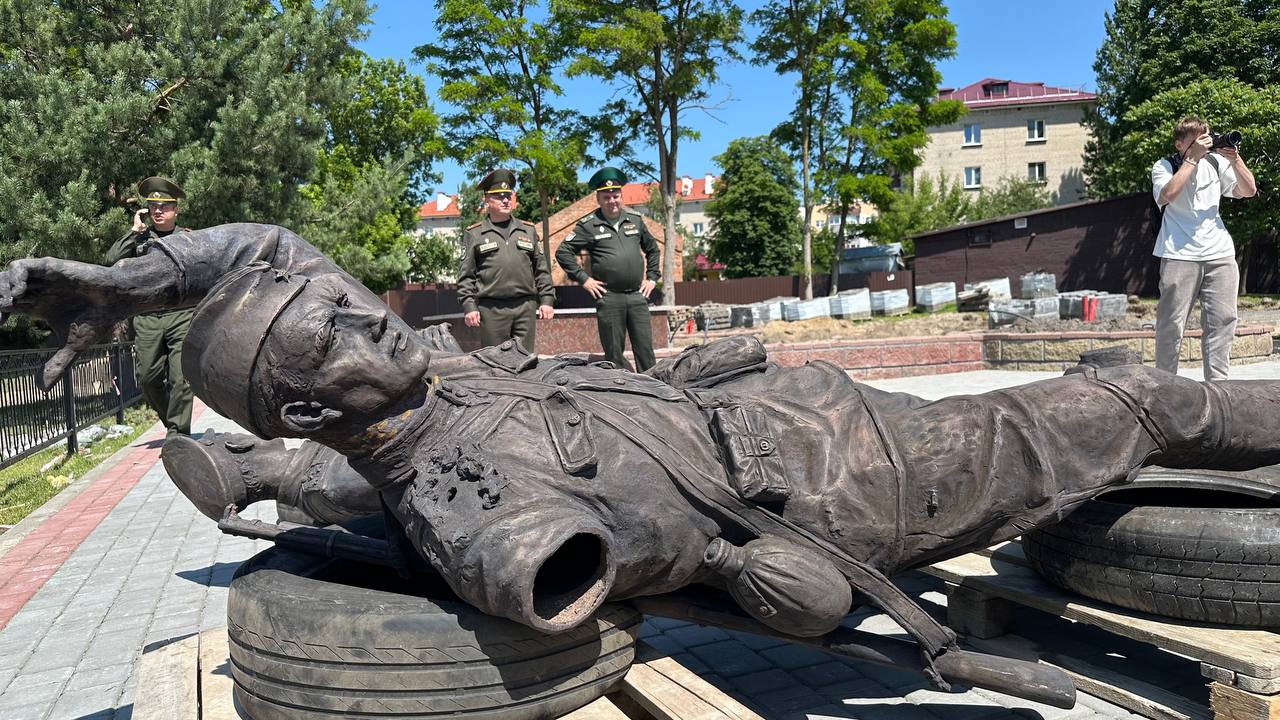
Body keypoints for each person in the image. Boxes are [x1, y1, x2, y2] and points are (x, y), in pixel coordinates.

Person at [5, 222, 1280, 655]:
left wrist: (132, 283)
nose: (366, 315)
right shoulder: (462, 491)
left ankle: (263, 479)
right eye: (330, 334)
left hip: (820, 413)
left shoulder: (404, 378)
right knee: (1129, 399)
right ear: (303, 403)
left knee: (1110, 408)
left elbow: (268, 254)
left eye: (344, 300)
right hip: (862, 481)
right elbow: (560, 564)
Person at [1151, 116, 1257, 380]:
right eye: (1197, 139)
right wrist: (1190, 161)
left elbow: (1249, 189)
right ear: (1179, 144)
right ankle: (1165, 388)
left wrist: (1234, 159)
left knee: (1223, 322)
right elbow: (1167, 196)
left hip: (1219, 253)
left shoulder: (1216, 162)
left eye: (1207, 137)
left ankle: (1219, 389)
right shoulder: (1165, 165)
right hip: (1178, 254)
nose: (1204, 143)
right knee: (1171, 325)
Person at [104, 176, 195, 436]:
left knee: (181, 378)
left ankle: (178, 433)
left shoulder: (188, 239)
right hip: (147, 317)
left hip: (181, 315)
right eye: (153, 207)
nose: (158, 211)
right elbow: (111, 260)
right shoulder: (139, 240)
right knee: (147, 379)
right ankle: (172, 422)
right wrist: (134, 232)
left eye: (164, 206)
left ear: (176, 209)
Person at [556, 167, 660, 371]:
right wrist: (584, 279)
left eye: (615, 195)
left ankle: (654, 391)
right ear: (598, 199)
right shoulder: (589, 225)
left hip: (637, 296)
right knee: (613, 353)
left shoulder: (635, 221)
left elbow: (653, 249)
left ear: (621, 196)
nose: (612, 200)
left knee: (645, 350)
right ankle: (621, 391)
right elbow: (563, 252)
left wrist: (652, 278)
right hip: (610, 297)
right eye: (607, 197)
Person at [456, 169, 555, 352]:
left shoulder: (528, 230)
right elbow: (466, 275)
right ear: (487, 200)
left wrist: (547, 300)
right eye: (499, 196)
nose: (505, 200)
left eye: (508, 196)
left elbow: (541, 269)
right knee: (496, 364)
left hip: (525, 307)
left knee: (525, 362)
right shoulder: (475, 233)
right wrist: (469, 306)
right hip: (492, 310)